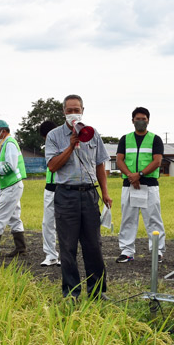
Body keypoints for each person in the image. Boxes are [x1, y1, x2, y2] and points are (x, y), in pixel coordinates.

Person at [45, 94, 113, 299]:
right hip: (66, 194)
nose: (73, 113)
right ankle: (72, 292)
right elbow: (52, 165)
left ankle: (97, 291)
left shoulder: (93, 134)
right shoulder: (54, 136)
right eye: (69, 110)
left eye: (77, 109)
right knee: (68, 246)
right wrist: (70, 145)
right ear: (63, 112)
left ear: (83, 110)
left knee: (93, 245)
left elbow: (100, 164)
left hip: (90, 193)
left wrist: (105, 193)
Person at [115, 107, 166, 262]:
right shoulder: (125, 139)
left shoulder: (155, 139)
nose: (141, 121)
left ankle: (157, 251)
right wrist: (131, 176)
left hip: (149, 185)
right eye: (138, 119)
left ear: (148, 120)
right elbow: (119, 160)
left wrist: (140, 174)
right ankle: (127, 251)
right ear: (132, 121)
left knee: (153, 218)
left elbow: (157, 161)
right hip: (129, 185)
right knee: (128, 218)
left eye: (144, 119)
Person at [0, 120, 26, 257]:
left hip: (11, 186)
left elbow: (10, 165)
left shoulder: (9, 143)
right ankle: (20, 248)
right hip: (9, 185)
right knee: (14, 217)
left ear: (2, 131)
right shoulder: (3, 144)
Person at [38, 120, 60, 267]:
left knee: (65, 225)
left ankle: (66, 255)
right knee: (47, 223)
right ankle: (51, 255)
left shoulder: (65, 144)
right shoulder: (48, 147)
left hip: (64, 187)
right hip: (50, 187)